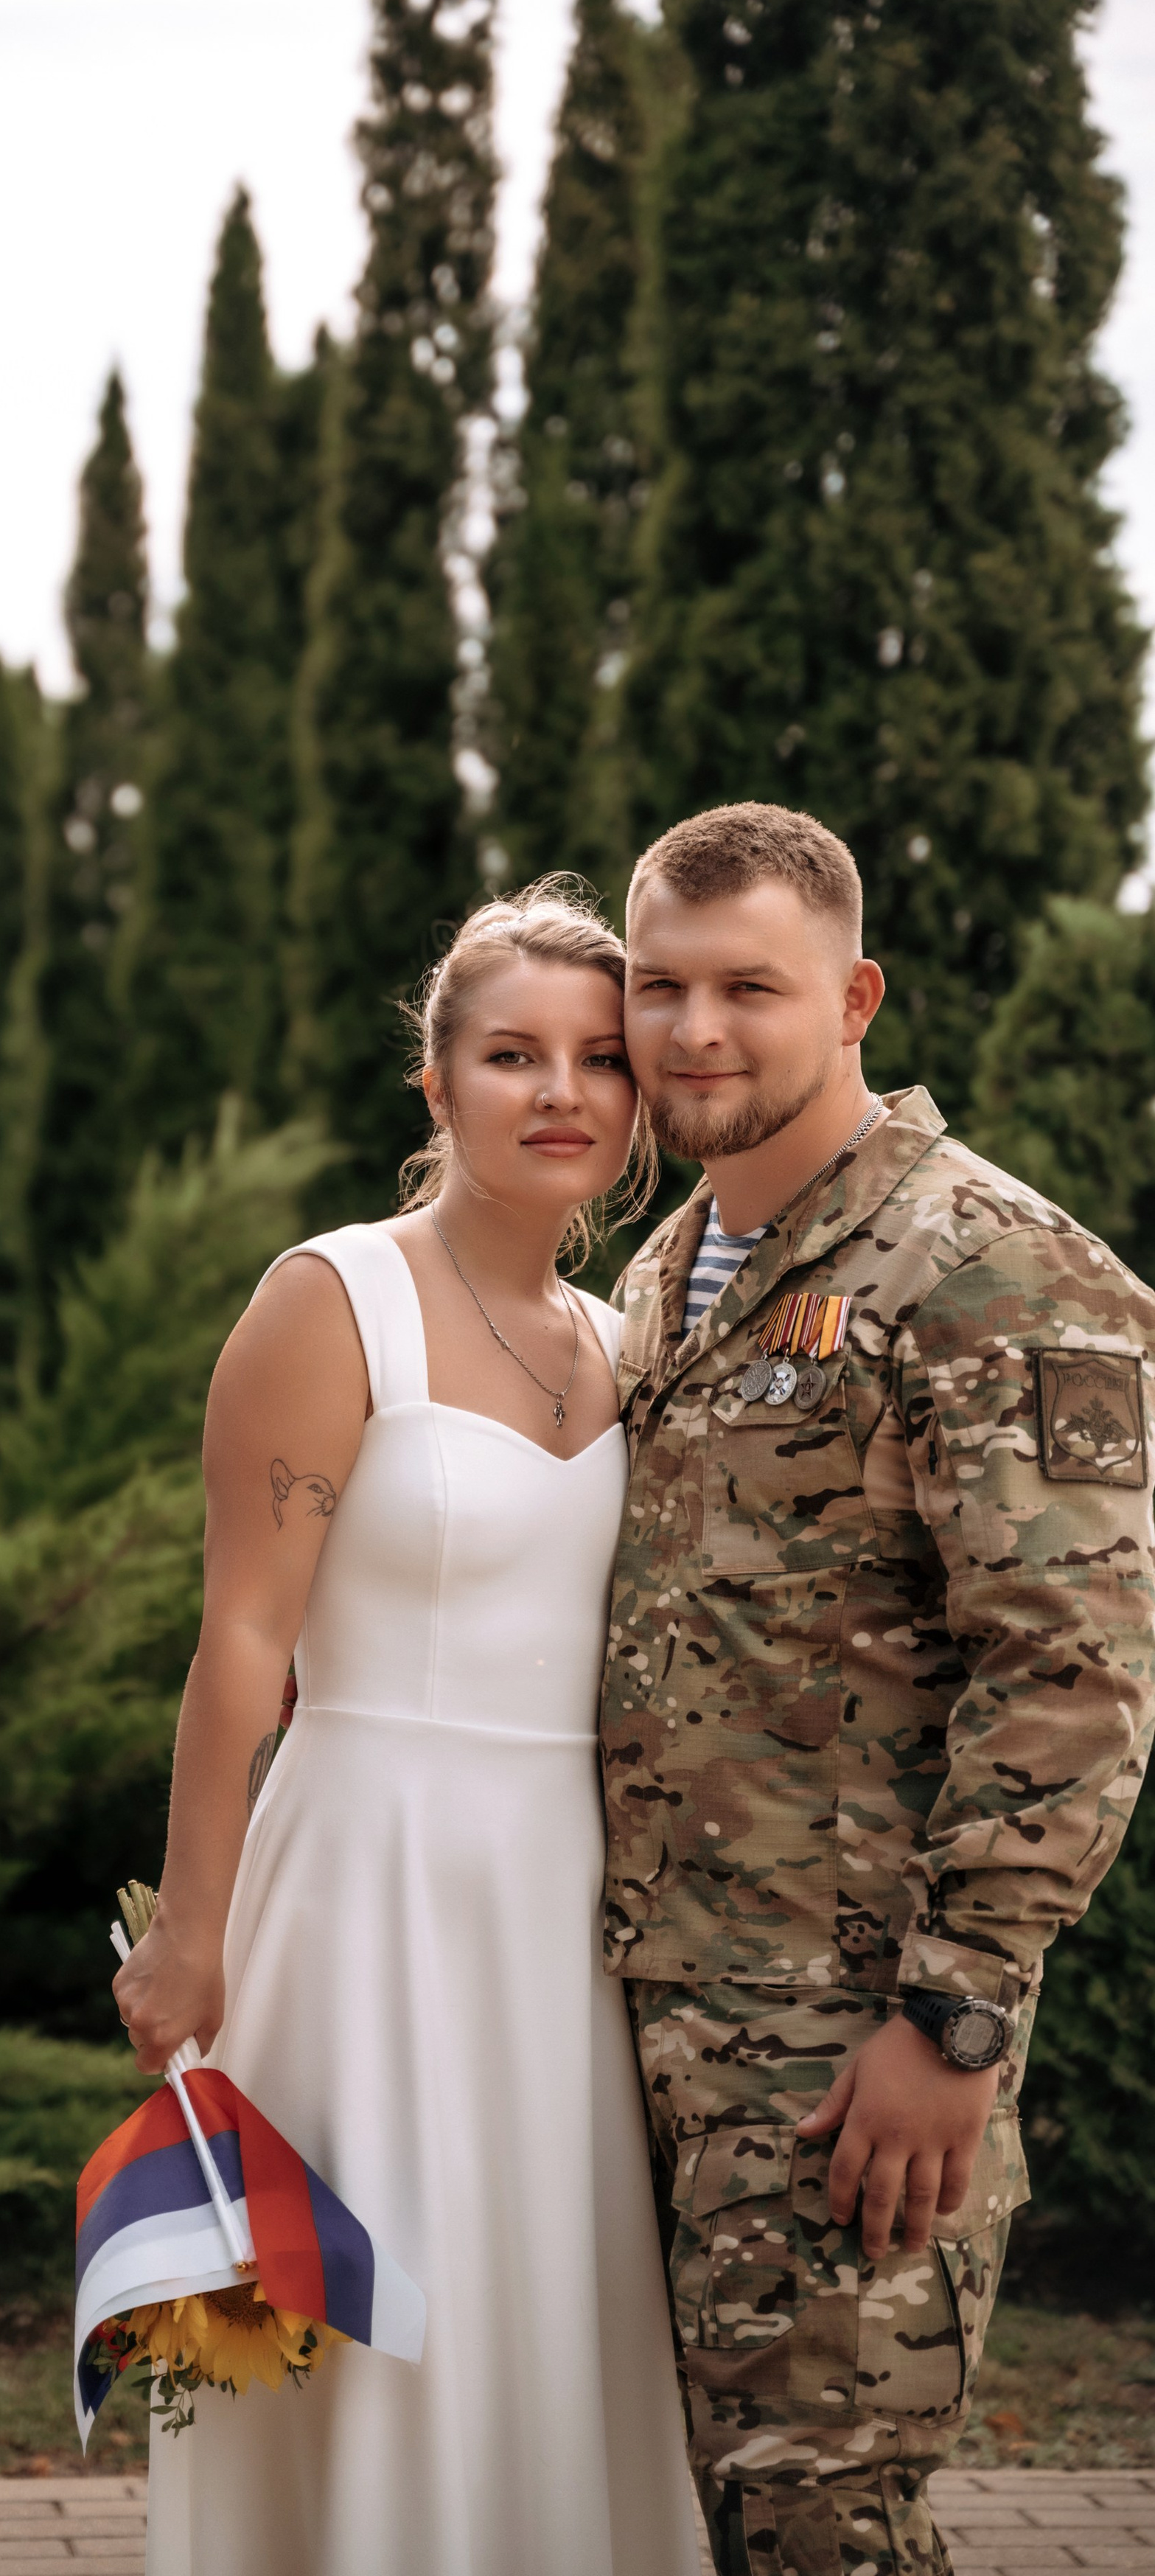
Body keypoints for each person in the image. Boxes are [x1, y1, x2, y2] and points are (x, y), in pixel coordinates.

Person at [115, 885, 702, 2576]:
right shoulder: (330, 1300)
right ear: (433, 1084)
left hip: (569, 1909)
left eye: (600, 1058)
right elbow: (242, 1638)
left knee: (550, 2308)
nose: (560, 1092)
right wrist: (190, 1928)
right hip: (368, 1882)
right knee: (380, 2318)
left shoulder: (624, 1341)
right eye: (510, 1054)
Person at [607, 802, 1155, 2576]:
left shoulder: (985, 1264)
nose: (691, 1032)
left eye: (744, 989)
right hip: (630, 2012)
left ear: (852, 999)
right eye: (657, 985)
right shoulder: (655, 1281)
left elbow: (1069, 1669)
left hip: (843, 2044)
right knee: (688, 2515)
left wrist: (954, 2022)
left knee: (816, 2518)